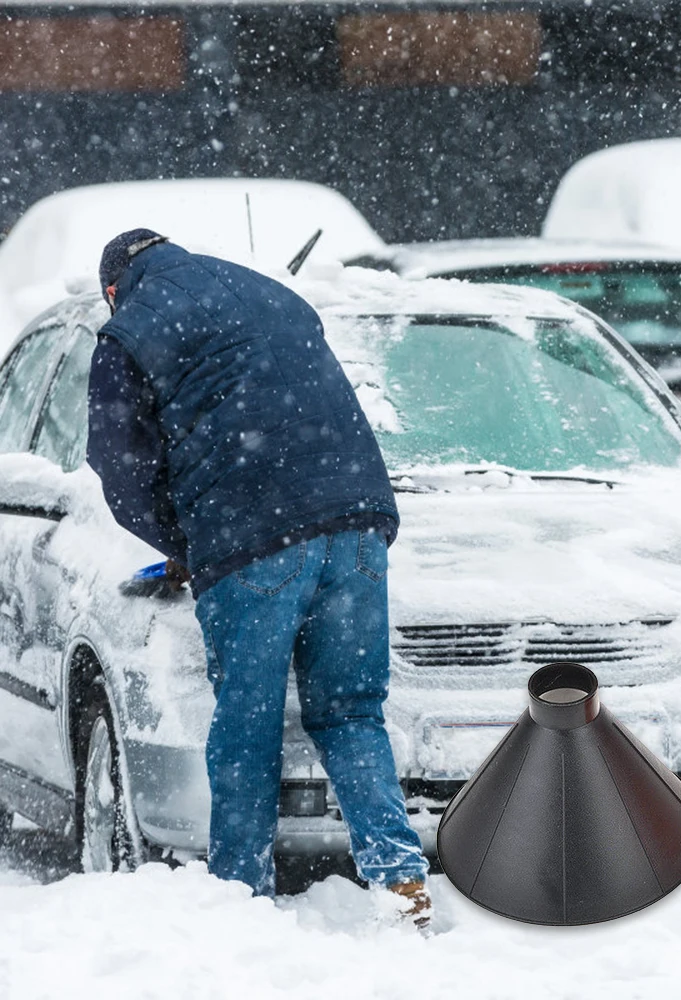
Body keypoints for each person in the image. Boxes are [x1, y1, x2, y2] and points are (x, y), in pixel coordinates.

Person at [86, 229, 430, 924]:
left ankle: (243, 899)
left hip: (253, 540)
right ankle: (400, 883)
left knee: (248, 725)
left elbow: (120, 471)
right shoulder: (275, 293)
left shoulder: (128, 333)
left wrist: (189, 541)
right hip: (357, 525)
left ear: (115, 288)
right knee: (351, 712)